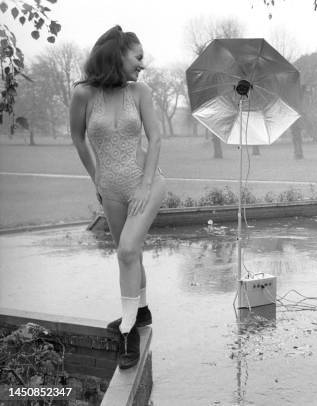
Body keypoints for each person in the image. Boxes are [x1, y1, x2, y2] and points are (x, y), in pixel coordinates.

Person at [70, 25, 167, 369]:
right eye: (138, 57)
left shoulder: (140, 92)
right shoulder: (83, 95)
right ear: (117, 54)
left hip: (146, 185)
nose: (143, 64)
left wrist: (143, 185)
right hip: (109, 188)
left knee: (127, 250)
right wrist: (95, 177)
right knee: (129, 255)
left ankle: (127, 332)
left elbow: (155, 140)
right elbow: (79, 138)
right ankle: (141, 311)